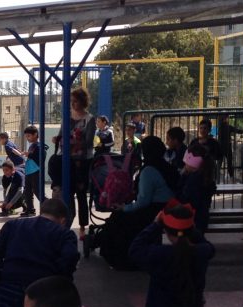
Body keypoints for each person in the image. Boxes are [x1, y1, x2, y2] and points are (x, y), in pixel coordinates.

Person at [130, 202, 216, 307]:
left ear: (166, 231)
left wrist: (155, 225)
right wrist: (190, 228)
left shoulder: (159, 255)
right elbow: (207, 245)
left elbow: (135, 248)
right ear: (191, 229)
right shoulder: (202, 252)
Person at [96, 136, 178, 271]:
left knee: (117, 218)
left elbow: (143, 201)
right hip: (167, 207)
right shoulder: (166, 167)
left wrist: (124, 207)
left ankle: (122, 259)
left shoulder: (149, 171)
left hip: (155, 211)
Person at [55, 87, 96, 238]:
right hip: (67, 159)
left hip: (82, 161)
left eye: (76, 101)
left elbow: (89, 142)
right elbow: (60, 135)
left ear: (83, 102)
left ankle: (83, 227)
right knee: (67, 192)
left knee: (81, 193)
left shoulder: (89, 119)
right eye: (71, 101)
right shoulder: (67, 117)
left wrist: (73, 143)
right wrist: (58, 139)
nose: (73, 104)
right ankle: (65, 223)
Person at [177, 144, 217, 233]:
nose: (185, 164)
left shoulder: (193, 180)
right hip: (202, 217)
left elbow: (187, 198)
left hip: (192, 218)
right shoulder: (204, 177)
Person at [21, 125, 46, 217]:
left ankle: (49, 207)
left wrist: (29, 155)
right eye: (26, 136)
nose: (27, 138)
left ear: (35, 134)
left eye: (29, 136)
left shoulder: (39, 146)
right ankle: (30, 210)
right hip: (29, 171)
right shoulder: (32, 145)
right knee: (27, 192)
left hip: (36, 172)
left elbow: (40, 158)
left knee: (38, 192)